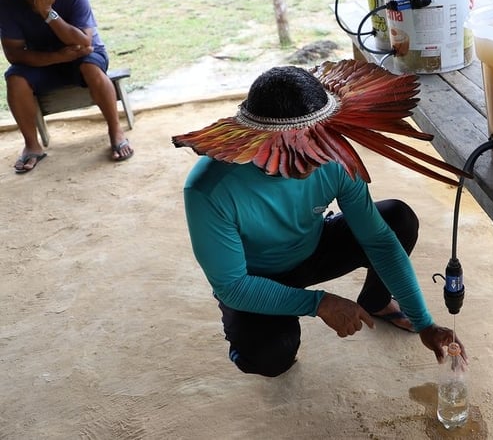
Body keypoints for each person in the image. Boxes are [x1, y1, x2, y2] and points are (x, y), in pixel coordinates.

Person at [172, 60, 469, 377]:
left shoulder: (333, 155)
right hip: (254, 276)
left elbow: (379, 242)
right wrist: (318, 303)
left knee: (398, 220)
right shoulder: (208, 189)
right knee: (270, 357)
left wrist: (424, 321)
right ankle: (251, 337)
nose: (321, 152)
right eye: (302, 145)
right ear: (262, 140)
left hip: (312, 247)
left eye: (323, 136)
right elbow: (232, 286)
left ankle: (376, 301)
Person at [0, 0, 133, 174]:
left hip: (82, 56)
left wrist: (48, 12)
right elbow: (14, 55)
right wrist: (56, 57)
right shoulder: (5, 5)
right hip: (45, 60)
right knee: (15, 79)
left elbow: (84, 44)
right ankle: (32, 145)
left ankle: (115, 131)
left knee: (91, 67)